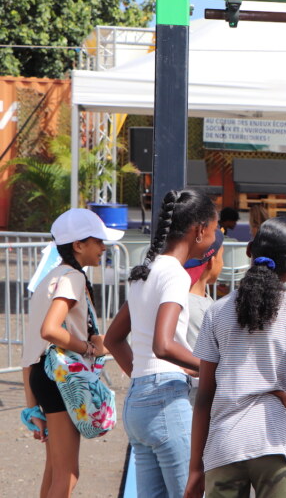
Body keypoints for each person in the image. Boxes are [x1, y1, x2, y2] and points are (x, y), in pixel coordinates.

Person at [185, 217, 286, 498]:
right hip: (277, 444)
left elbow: (204, 396)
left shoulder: (217, 311)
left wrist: (196, 469)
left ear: (249, 250)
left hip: (224, 445)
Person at [105, 188, 218, 498]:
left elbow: (113, 339)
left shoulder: (147, 271)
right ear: (199, 230)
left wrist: (144, 374)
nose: (215, 237)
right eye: (215, 228)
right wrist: (212, 367)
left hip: (138, 401)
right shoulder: (176, 275)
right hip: (165, 399)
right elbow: (163, 345)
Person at [21, 208, 124, 497]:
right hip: (61, 378)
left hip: (44, 376)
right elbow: (50, 330)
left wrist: (31, 406)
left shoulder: (50, 277)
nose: (103, 247)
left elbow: (32, 348)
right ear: (78, 245)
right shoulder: (72, 278)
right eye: (98, 241)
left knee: (55, 470)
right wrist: (87, 347)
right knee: (68, 474)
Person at [183, 228, 225, 349]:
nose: (223, 264)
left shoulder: (191, 299)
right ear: (211, 261)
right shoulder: (197, 310)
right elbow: (200, 357)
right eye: (221, 257)